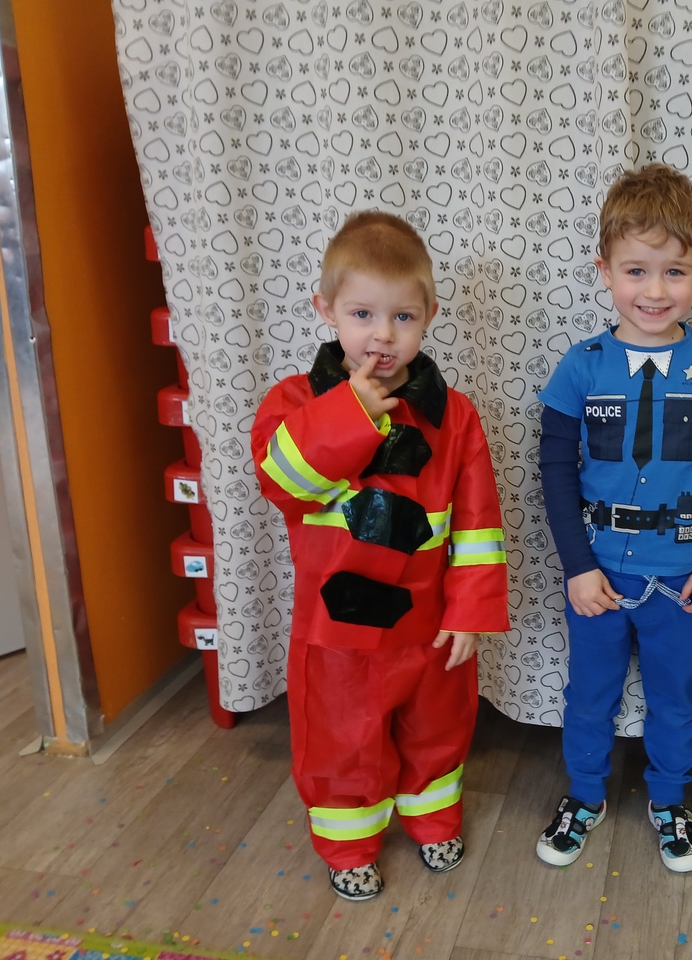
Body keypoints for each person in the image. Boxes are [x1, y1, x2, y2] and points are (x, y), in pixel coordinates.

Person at [251, 211, 509, 902]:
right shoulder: (294, 402)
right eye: (362, 314)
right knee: (342, 740)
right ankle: (349, 844)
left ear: (428, 316)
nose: (382, 335)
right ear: (326, 309)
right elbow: (283, 483)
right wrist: (352, 414)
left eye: (402, 317)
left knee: (438, 730)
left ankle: (434, 820)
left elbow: (478, 523)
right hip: (337, 635)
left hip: (430, 625)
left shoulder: (455, 415)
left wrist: (470, 611)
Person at [534, 164, 692, 873]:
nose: (655, 291)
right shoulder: (581, 366)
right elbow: (553, 471)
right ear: (604, 271)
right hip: (599, 576)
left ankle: (669, 800)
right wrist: (577, 566)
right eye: (636, 270)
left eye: (674, 272)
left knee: (676, 697)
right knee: (589, 695)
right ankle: (585, 795)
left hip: (686, 579)